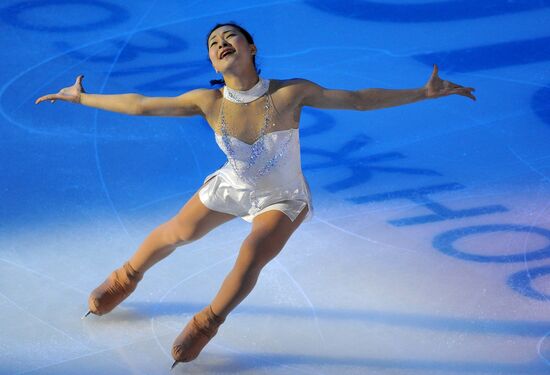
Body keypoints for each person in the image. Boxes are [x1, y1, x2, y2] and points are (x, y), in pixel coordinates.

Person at [35, 22, 476, 369]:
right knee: (177, 232)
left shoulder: (289, 93)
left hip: (282, 197)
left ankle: (206, 323)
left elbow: (358, 99)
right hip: (233, 185)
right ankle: (124, 278)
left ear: (251, 50)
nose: (221, 43)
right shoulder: (208, 102)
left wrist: (421, 93)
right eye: (213, 42)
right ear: (212, 59)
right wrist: (83, 98)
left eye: (231, 37)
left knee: (251, 253)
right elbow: (139, 104)